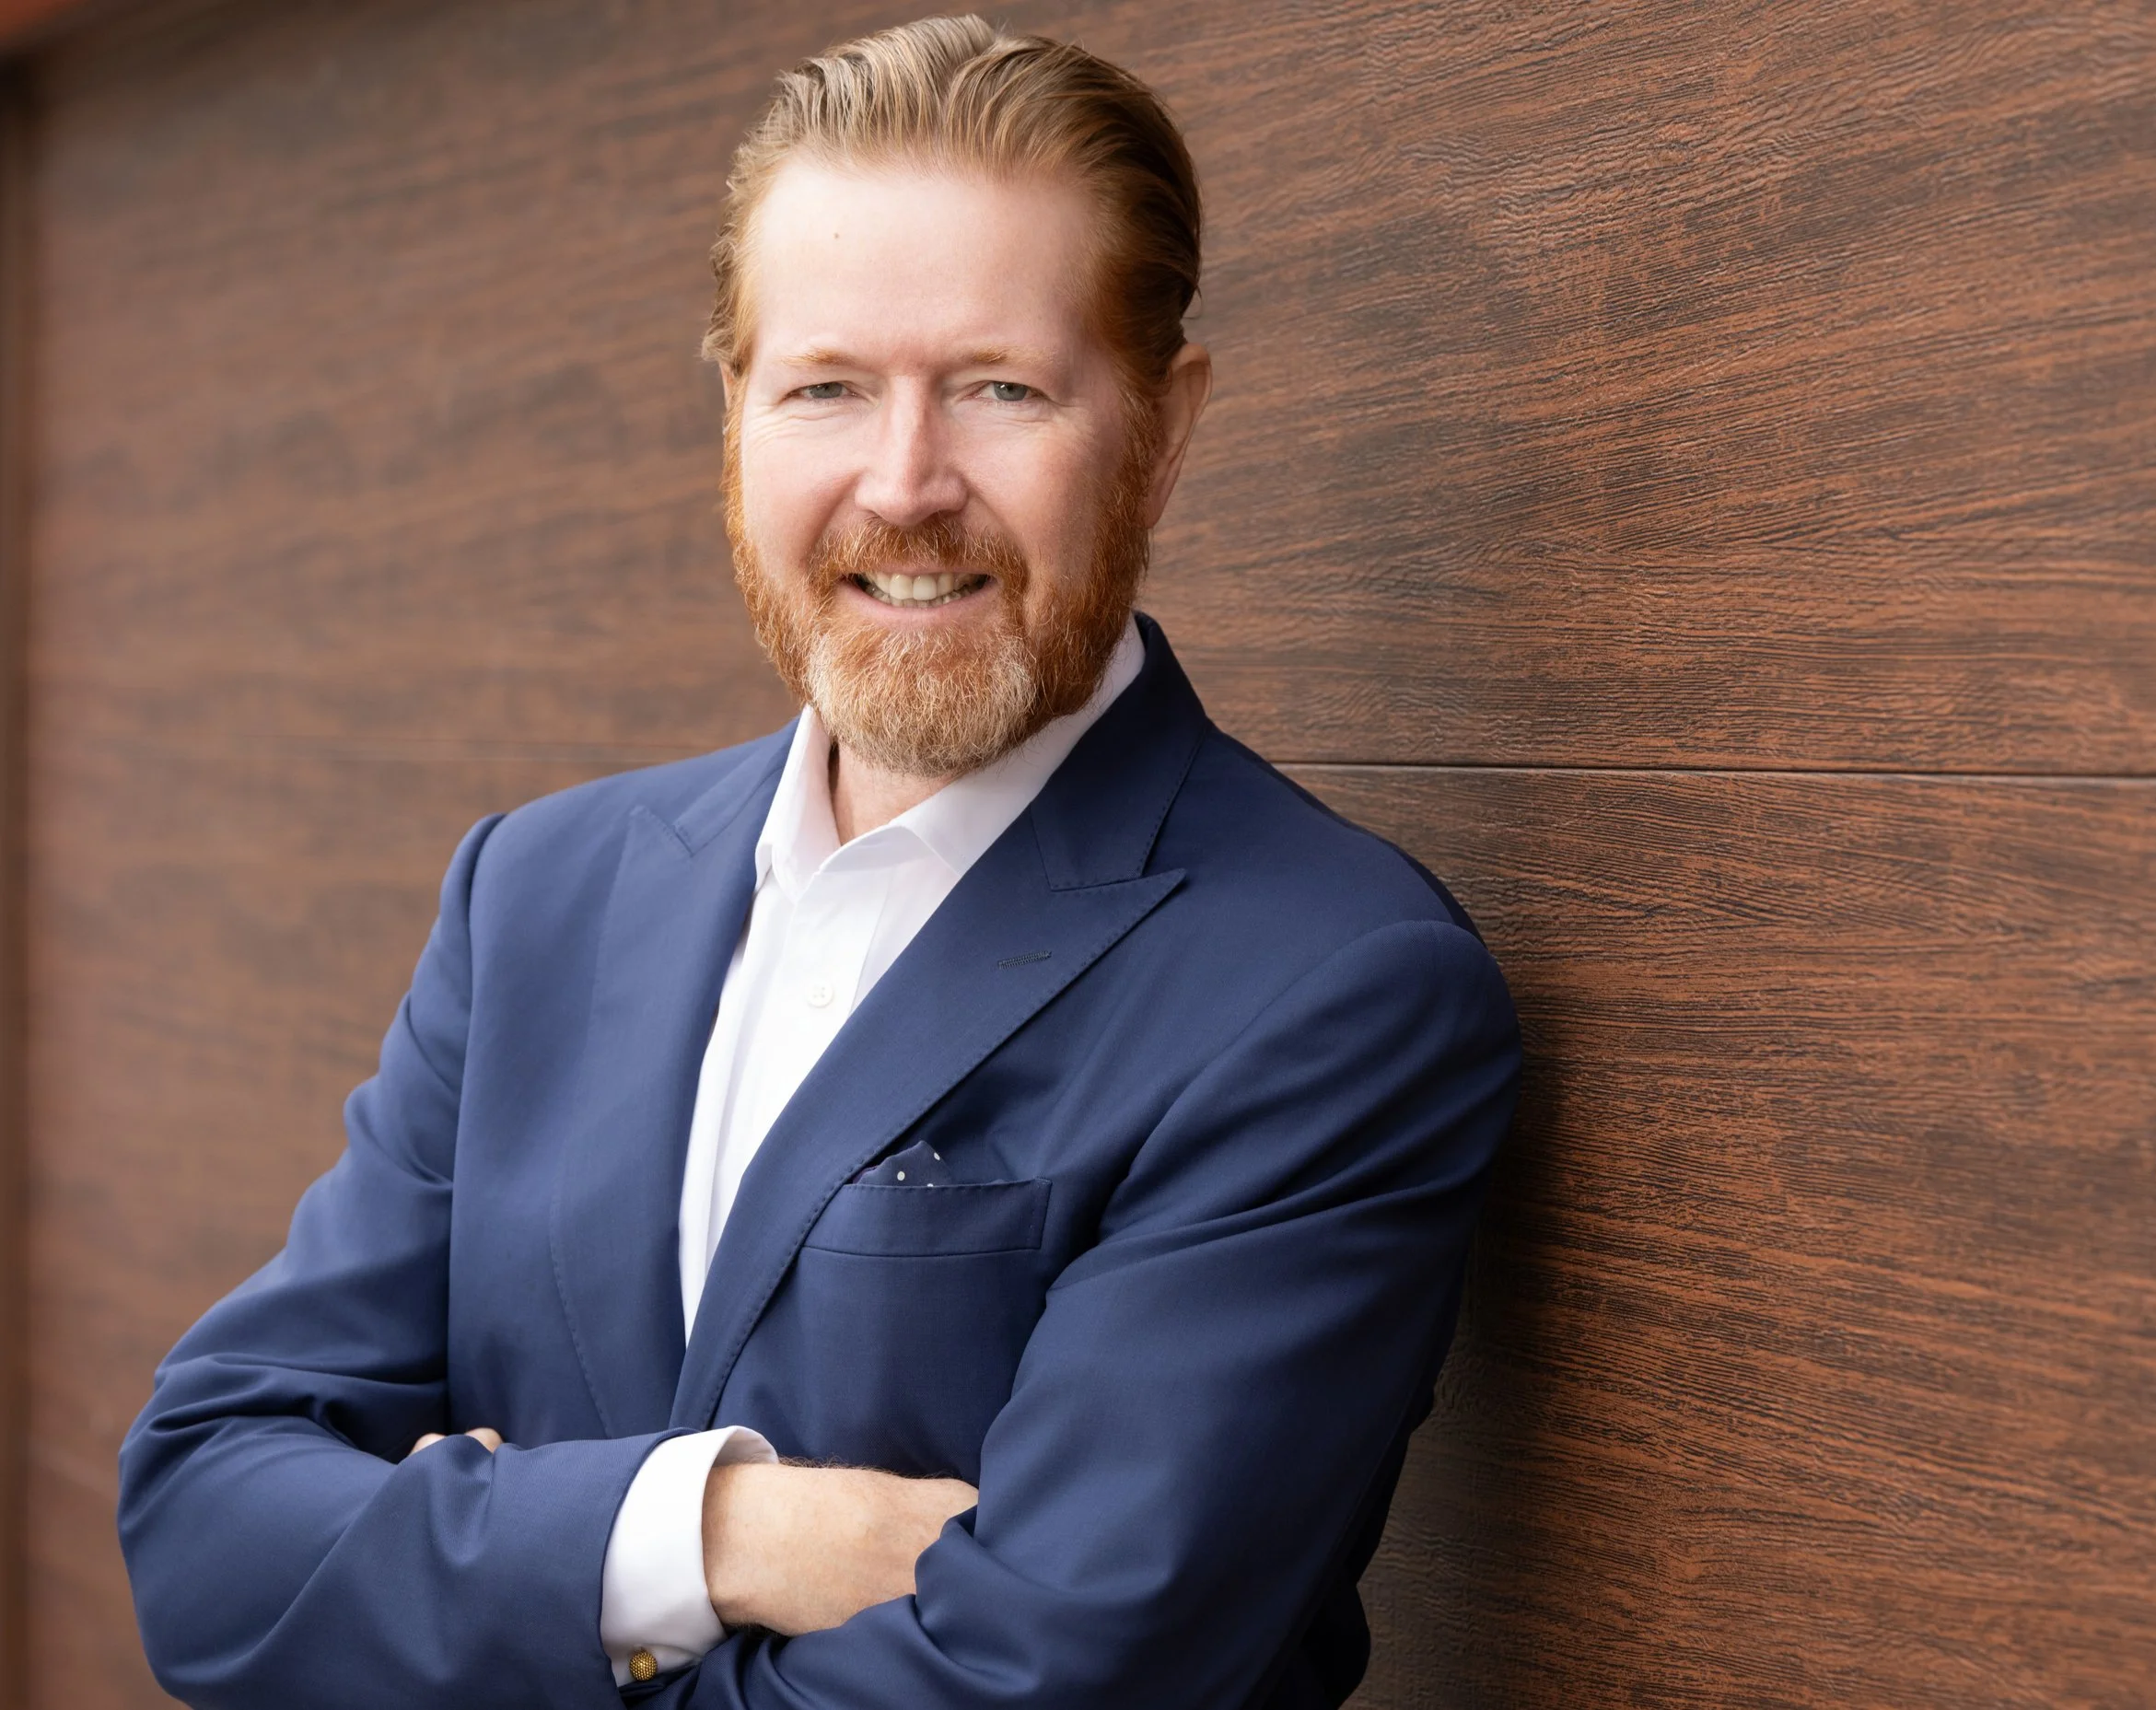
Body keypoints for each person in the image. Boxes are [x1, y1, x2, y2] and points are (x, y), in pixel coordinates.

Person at [117, 17, 1521, 1707]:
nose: (904, 484)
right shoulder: (539, 897)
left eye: (1000, 389)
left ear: (1164, 428)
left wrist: (453, 1572)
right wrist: (719, 1535)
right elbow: (203, 1527)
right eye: (828, 389)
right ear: (735, 414)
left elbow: (1045, 1683)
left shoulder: (1330, 989)